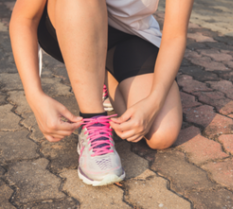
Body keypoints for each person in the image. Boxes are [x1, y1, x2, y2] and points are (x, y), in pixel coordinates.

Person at [9, 0, 194, 186]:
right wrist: (34, 95)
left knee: (161, 134)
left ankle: (95, 75)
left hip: (131, 34)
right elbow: (24, 18)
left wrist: (154, 101)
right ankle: (93, 122)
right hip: (69, 17)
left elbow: (175, 35)